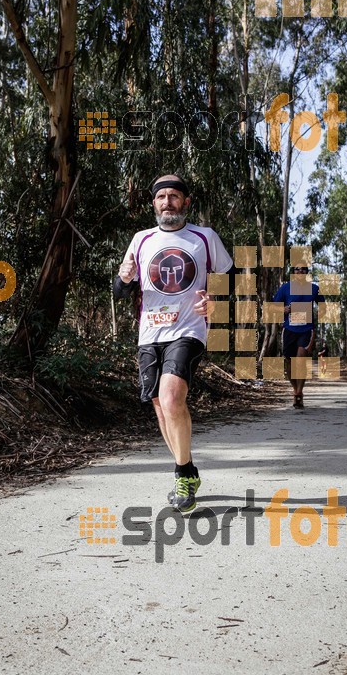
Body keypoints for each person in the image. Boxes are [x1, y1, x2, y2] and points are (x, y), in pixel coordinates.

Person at [113, 174, 233, 512]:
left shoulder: (204, 237)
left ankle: (181, 475)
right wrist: (122, 279)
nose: (168, 202)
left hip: (189, 329)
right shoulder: (141, 239)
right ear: (154, 203)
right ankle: (189, 469)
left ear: (186, 202)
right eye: (161, 197)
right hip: (149, 333)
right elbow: (121, 291)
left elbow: (230, 277)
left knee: (171, 397)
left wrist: (215, 302)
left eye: (174, 196)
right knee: (159, 405)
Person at [273, 264, 325, 408]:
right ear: (293, 272)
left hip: (306, 330)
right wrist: (283, 309)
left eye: (303, 269)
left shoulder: (314, 288)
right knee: (290, 362)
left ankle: (299, 392)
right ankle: (295, 389)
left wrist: (319, 314)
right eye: (297, 269)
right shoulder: (285, 288)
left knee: (301, 359)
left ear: (307, 272)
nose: (300, 271)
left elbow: (323, 306)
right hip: (289, 329)